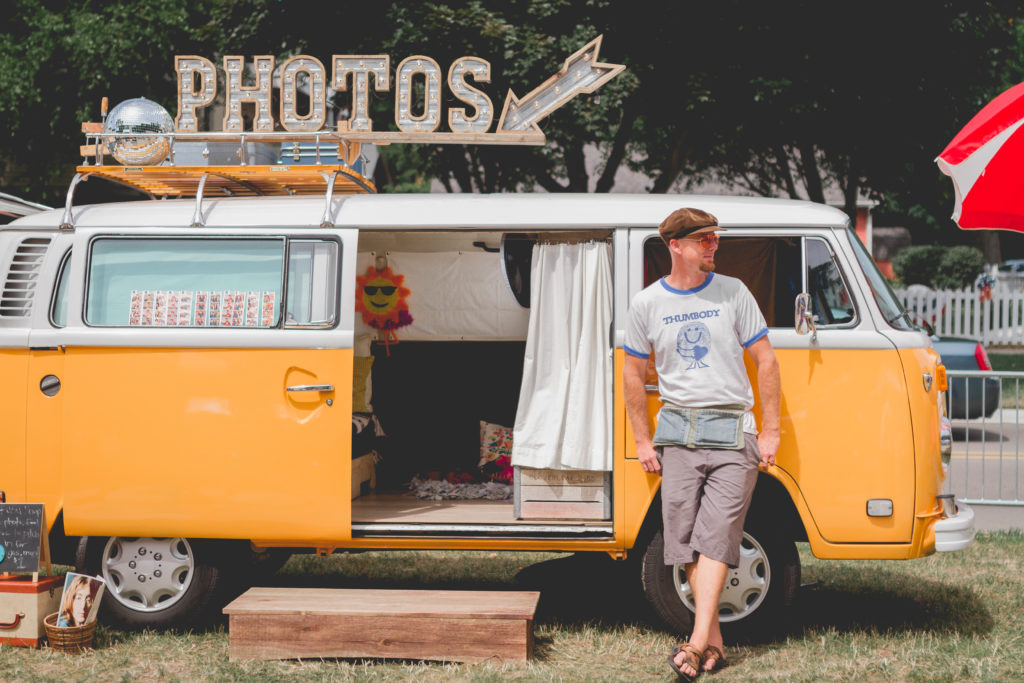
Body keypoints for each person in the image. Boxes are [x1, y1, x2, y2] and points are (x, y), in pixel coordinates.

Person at [623, 208, 780, 680]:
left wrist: (770, 431)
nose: (714, 246)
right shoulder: (646, 304)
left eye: (715, 239)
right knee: (684, 543)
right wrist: (642, 439)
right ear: (675, 245)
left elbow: (766, 362)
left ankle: (692, 645)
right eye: (704, 240)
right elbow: (632, 373)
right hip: (677, 434)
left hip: (734, 432)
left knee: (716, 537)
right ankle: (715, 642)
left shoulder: (733, 292)